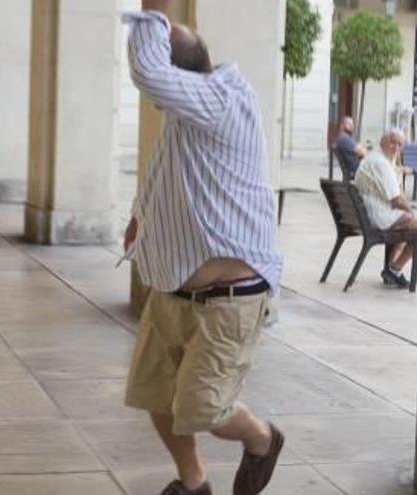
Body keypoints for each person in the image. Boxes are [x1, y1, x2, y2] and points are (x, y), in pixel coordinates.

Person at [121, 1, 285, 494]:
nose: (156, 100)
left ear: (180, 79)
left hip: (230, 299)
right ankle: (194, 483)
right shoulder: (185, 118)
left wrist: (151, 11)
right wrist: (140, 215)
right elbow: (169, 170)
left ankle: (262, 438)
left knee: (205, 408)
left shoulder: (221, 101)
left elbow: (149, 71)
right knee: (155, 395)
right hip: (173, 291)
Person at [353, 129, 417, 288]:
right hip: (378, 218)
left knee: (409, 220)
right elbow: (397, 200)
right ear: (383, 141)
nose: (396, 147)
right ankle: (394, 269)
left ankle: (392, 268)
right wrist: (410, 210)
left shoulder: (375, 158)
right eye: (393, 142)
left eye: (400, 144)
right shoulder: (381, 163)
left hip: (368, 215)